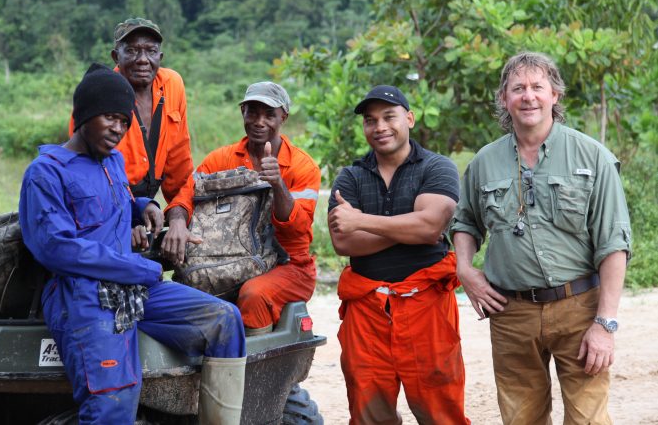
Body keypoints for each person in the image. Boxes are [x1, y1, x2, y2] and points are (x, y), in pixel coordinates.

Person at [21, 64, 246, 424]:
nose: (118, 129)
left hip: (132, 286)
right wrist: (138, 267)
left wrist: (146, 205)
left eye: (124, 122)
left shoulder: (111, 161)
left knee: (224, 319)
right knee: (114, 403)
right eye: (110, 118)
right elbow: (57, 249)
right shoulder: (46, 172)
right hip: (83, 296)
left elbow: (119, 201)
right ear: (83, 115)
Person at [451, 52, 631, 424]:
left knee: (588, 419)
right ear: (504, 98)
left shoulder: (592, 157)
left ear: (555, 95)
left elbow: (614, 245)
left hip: (579, 307)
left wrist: (604, 324)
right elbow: (465, 222)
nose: (528, 96)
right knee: (521, 418)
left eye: (537, 87)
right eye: (518, 88)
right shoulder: (484, 162)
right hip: (511, 313)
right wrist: (465, 269)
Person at [328, 85, 469, 424]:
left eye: (389, 117)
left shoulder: (437, 167)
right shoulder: (350, 177)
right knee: (367, 406)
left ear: (409, 118)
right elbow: (343, 242)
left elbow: (431, 228)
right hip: (366, 308)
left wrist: (362, 221)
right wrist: (410, 227)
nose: (380, 127)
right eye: (370, 120)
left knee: (440, 407)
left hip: (426, 305)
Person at [167, 81, 321, 336]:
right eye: (252, 112)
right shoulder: (220, 159)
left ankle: (255, 368)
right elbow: (186, 192)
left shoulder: (302, 166)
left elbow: (298, 228)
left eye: (269, 114)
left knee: (253, 295)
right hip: (228, 260)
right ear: (243, 113)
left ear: (283, 116)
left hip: (289, 265)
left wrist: (277, 184)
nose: (259, 121)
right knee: (183, 292)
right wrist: (177, 221)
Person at [69, 17, 196, 247]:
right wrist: (125, 220)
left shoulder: (172, 85)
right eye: (132, 51)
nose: (143, 60)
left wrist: (179, 217)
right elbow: (86, 179)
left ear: (160, 57)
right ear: (116, 57)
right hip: (106, 211)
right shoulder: (99, 92)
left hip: (148, 206)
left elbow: (181, 170)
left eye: (150, 51)